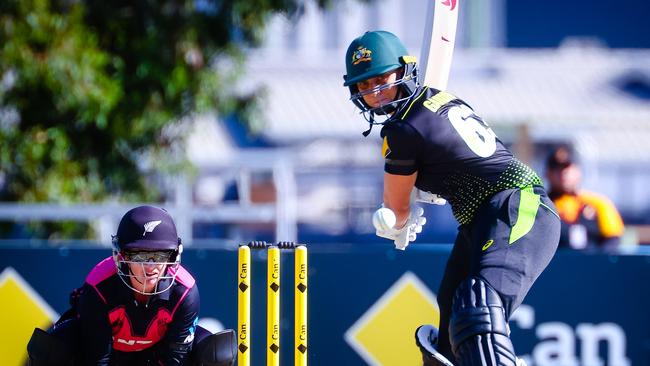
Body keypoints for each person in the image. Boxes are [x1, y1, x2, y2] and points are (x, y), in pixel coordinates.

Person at [343, 30, 561, 366]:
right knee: (450, 335)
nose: (372, 92)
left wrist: (398, 223)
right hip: (483, 219)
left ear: (404, 71)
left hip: (516, 207)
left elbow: (395, 210)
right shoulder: (440, 99)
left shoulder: (401, 131)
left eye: (380, 79)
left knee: (477, 311)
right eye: (363, 85)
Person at [26, 205, 237, 366]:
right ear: (121, 256)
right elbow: (98, 358)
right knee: (48, 350)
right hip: (107, 355)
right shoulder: (100, 286)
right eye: (141, 256)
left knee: (219, 352)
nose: (151, 266)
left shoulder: (185, 291)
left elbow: (175, 360)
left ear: (174, 255)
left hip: (157, 354)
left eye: (160, 255)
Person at [545, 145, 624, 249]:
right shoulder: (541, 205)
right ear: (548, 174)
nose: (563, 173)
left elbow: (613, 240)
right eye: (557, 169)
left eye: (567, 168)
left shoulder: (598, 203)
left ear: (578, 172)